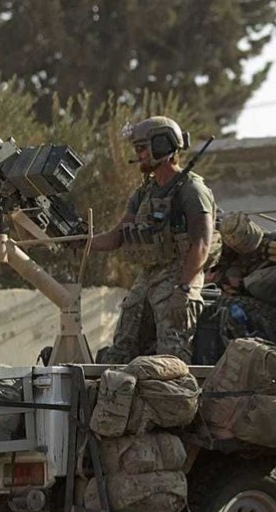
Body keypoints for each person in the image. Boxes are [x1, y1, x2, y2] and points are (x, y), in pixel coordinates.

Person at [92, 116, 221, 363]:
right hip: (148, 276)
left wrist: (184, 288)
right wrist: (80, 241)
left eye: (142, 148)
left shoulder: (192, 190)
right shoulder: (143, 194)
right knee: (121, 348)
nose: (138, 155)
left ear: (162, 146)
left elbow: (202, 244)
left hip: (180, 275)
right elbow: (116, 237)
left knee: (172, 356)